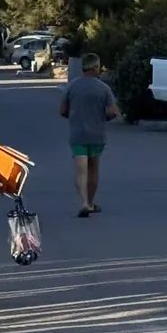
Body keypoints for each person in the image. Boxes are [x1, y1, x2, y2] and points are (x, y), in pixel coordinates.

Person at [59, 53, 119, 217]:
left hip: (78, 133)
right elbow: (114, 112)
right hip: (97, 134)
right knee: (93, 169)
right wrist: (102, 118)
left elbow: (62, 110)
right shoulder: (103, 88)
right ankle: (91, 202)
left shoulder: (72, 86)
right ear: (95, 67)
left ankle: (84, 202)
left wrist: (73, 117)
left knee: (81, 170)